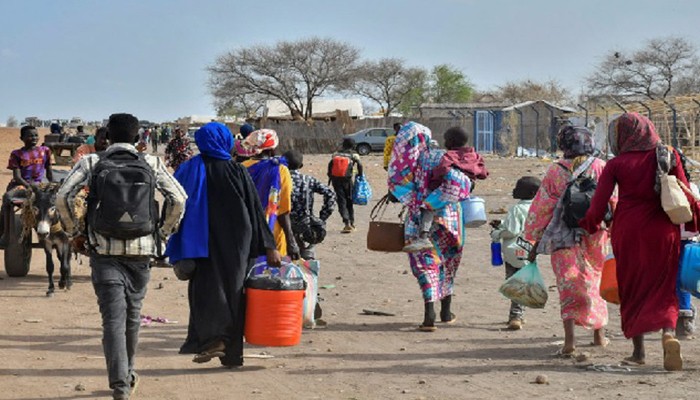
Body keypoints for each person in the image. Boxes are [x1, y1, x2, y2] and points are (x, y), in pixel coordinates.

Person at [56, 113, 187, 400]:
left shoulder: (92, 162)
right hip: (141, 253)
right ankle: (126, 376)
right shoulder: (151, 163)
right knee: (133, 315)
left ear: (107, 137)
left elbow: (63, 196)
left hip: (103, 252)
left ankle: (120, 384)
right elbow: (178, 199)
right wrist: (162, 233)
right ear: (139, 138)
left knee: (112, 319)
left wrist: (76, 231)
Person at [579, 113, 695, 371]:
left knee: (632, 289)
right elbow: (684, 190)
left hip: (629, 231)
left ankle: (639, 352)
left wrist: (588, 225)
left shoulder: (617, 164)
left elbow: (598, 205)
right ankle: (668, 334)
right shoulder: (668, 155)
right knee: (664, 286)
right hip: (664, 230)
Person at [165, 122, 280, 368]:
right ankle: (231, 354)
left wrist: (168, 238)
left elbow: (172, 205)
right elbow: (255, 210)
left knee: (205, 291)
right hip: (237, 242)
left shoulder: (187, 170)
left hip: (199, 243)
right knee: (235, 293)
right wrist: (269, 245)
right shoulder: (236, 170)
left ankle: (212, 341)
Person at [523, 125, 609, 357]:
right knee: (594, 281)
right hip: (595, 234)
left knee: (568, 285)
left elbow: (542, 206)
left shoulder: (555, 171)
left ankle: (570, 342)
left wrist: (532, 236)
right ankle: (599, 335)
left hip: (563, 236)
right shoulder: (601, 167)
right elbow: (613, 201)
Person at [388, 122, 471, 331]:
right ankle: (446, 311)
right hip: (450, 219)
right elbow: (463, 183)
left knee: (426, 265)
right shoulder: (449, 157)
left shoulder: (413, 161)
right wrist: (442, 198)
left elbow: (398, 189)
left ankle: (429, 315)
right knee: (448, 263)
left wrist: (423, 201)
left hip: (418, 219)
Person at [403, 127, 488, 252]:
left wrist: (434, 180)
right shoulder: (474, 155)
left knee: (428, 206)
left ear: (450, 141)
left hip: (452, 184)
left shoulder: (449, 155)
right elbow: (483, 173)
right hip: (466, 185)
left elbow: (442, 169)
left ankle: (423, 237)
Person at [490, 176, 541, 330]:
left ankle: (516, 316)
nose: (514, 190)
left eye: (518, 188)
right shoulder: (537, 208)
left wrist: (497, 233)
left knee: (514, 283)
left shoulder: (517, 208)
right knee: (522, 282)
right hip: (530, 250)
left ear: (530, 192)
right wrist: (502, 224)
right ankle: (519, 313)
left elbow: (512, 230)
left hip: (513, 252)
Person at [240, 129, 300, 259]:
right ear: (272, 149)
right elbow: (283, 210)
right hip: (273, 235)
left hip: (246, 233)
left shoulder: (241, 168)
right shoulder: (280, 170)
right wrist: (291, 241)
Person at [0, 125, 53, 246]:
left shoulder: (45, 150)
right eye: (30, 135)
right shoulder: (17, 154)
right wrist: (30, 187)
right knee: (7, 198)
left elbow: (49, 171)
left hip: (40, 185)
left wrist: (52, 185)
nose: (34, 138)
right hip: (21, 185)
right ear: (22, 138)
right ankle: (5, 233)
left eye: (35, 135)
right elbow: (17, 177)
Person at [283, 149, 336, 260]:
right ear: (301, 165)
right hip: (306, 227)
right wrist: (323, 216)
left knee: (286, 264)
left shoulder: (279, 180)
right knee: (307, 263)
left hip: (283, 227)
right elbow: (330, 193)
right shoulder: (308, 180)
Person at [328, 138, 363, 233]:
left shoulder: (335, 154)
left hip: (336, 180)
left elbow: (330, 166)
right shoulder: (354, 155)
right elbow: (360, 165)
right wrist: (360, 175)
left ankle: (346, 222)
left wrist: (330, 178)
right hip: (347, 180)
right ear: (353, 145)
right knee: (349, 200)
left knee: (341, 200)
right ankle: (352, 222)